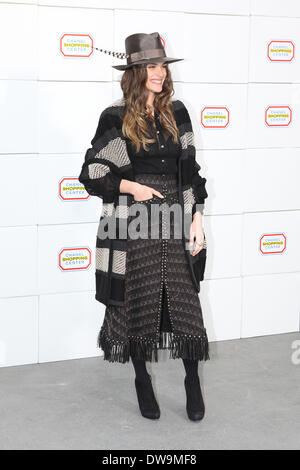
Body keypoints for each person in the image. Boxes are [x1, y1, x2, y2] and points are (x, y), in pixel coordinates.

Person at [78, 32, 209, 422]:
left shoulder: (178, 112)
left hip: (175, 214)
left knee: (185, 304)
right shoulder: (115, 117)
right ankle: (141, 380)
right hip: (136, 219)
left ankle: (191, 381)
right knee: (139, 300)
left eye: (163, 66)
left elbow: (191, 172)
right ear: (135, 73)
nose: (160, 74)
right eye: (151, 67)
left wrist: (197, 217)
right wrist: (132, 186)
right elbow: (92, 174)